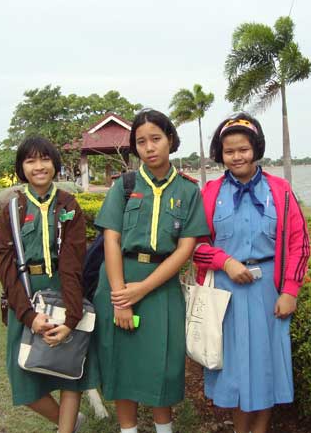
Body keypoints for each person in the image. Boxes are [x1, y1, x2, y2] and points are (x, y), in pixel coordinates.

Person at [93, 109, 210, 433]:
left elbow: (185, 249)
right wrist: (121, 297)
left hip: (162, 287)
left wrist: (143, 289)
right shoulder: (125, 186)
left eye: (156, 139)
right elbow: (111, 239)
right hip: (119, 280)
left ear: (170, 139)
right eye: (141, 142)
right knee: (121, 365)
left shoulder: (188, 190)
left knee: (163, 365)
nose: (149, 147)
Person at [192, 112, 310, 433]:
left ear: (256, 149)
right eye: (229, 151)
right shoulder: (210, 193)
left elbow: (299, 243)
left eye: (243, 149)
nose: (237, 156)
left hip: (268, 293)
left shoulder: (280, 190)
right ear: (220, 154)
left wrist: (290, 291)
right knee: (235, 372)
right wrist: (225, 261)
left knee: (265, 370)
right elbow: (194, 245)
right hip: (225, 294)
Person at [0, 136, 98, 433]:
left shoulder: (68, 205)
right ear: (21, 167)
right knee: (22, 379)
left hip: (65, 290)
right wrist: (29, 316)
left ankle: (66, 429)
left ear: (55, 163)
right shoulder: (12, 208)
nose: (39, 166)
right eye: (30, 161)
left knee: (70, 371)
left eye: (45, 159)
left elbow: (73, 264)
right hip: (25, 294)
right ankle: (71, 422)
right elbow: (5, 264)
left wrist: (71, 318)